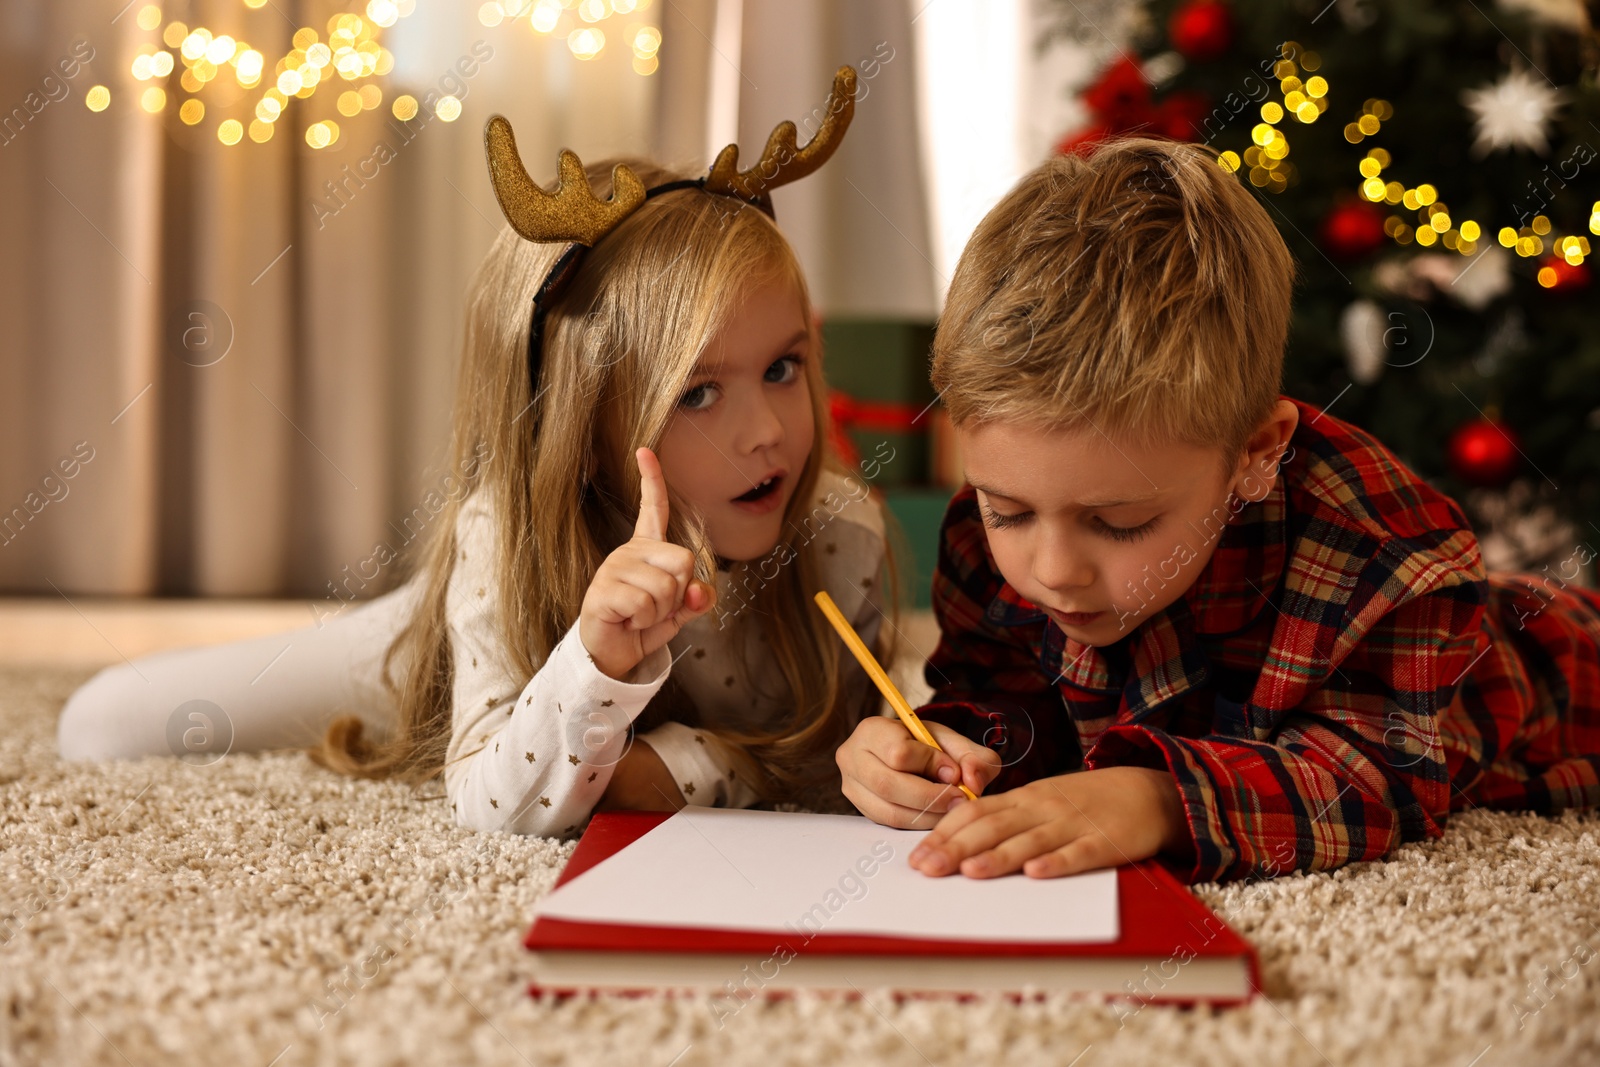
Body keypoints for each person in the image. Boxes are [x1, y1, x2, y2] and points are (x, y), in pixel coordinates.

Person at [60, 67, 893, 838]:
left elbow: (827, 760)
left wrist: (671, 769)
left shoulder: (841, 536)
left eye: (782, 368)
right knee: (107, 724)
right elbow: (495, 802)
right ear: (580, 421)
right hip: (435, 649)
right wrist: (595, 664)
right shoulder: (506, 534)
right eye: (698, 393)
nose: (769, 431)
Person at [836, 136, 1600, 884]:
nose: (1052, 569)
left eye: (1120, 522)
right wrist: (949, 745)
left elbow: (1374, 781)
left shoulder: (1387, 547)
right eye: (1010, 512)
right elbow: (1010, 694)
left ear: (1257, 452)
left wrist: (1158, 798)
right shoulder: (984, 534)